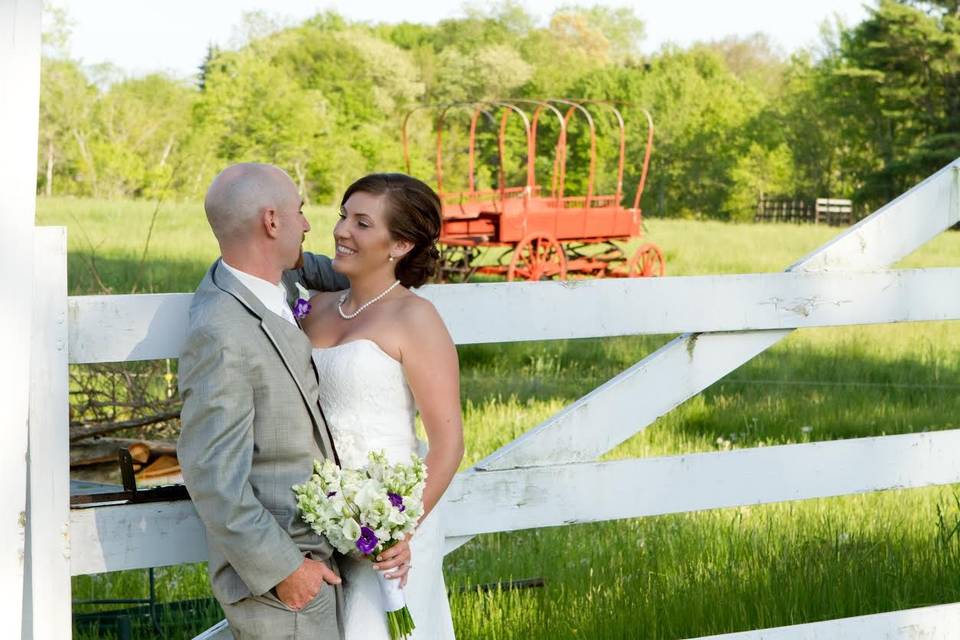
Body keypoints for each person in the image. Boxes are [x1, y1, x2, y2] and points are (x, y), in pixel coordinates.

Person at [177, 163, 409, 639]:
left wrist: (376, 255)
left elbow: (340, 271)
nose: (308, 225)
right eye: (299, 212)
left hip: (326, 557)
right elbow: (213, 475)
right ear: (271, 221)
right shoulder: (222, 331)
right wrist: (285, 570)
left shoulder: (270, 281)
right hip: (284, 576)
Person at [300, 172, 464, 639]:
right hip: (323, 513)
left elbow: (448, 443)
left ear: (400, 245)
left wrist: (401, 529)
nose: (341, 230)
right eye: (343, 216)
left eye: (363, 223)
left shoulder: (416, 318)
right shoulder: (313, 309)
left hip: (393, 518)